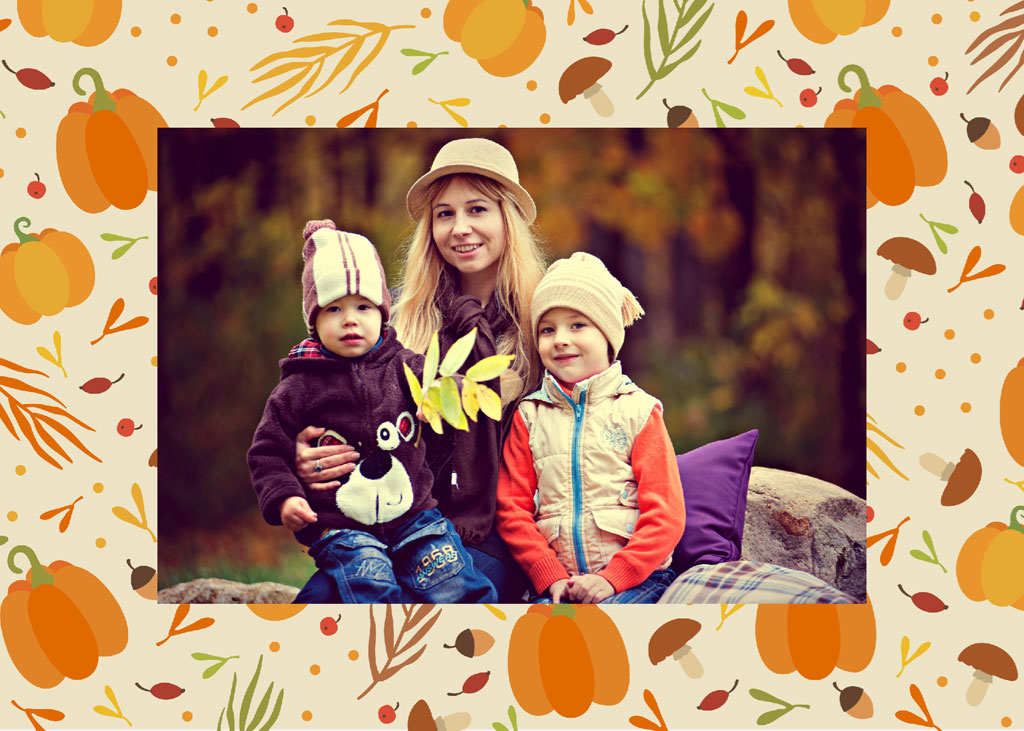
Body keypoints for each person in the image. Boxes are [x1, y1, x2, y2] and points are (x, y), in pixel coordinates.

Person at [291, 138, 547, 601]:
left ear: (507, 217)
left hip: (497, 531)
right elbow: (335, 405)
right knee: (321, 601)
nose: (460, 228)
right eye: (444, 214)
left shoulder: (545, 322)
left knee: (436, 601)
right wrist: (308, 454)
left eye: (477, 209)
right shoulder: (392, 319)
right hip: (396, 518)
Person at [248, 220, 496, 603]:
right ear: (313, 321)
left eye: (363, 307)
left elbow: (449, 387)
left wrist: (447, 396)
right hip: (343, 528)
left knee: (452, 579)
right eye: (334, 308)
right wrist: (284, 498)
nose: (350, 319)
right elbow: (267, 451)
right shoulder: (299, 385)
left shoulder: (403, 365)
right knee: (371, 585)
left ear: (382, 314)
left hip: (415, 517)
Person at [495, 252, 686, 604]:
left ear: (608, 334)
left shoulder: (638, 411)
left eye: (577, 325)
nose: (560, 339)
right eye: (547, 329)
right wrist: (548, 575)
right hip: (558, 585)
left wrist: (614, 578)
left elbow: (666, 514)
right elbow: (511, 509)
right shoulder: (530, 416)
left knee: (601, 631)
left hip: (633, 581)